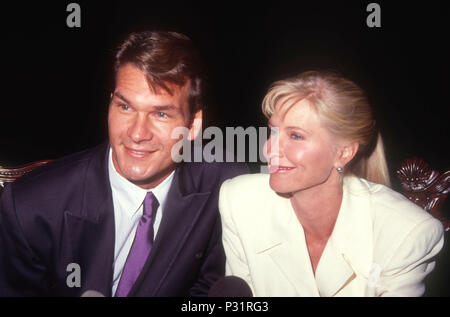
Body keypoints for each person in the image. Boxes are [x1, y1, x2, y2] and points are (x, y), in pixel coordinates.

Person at [0, 31, 247, 296]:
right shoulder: (31, 208)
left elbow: (207, 287)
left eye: (161, 114)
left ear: (193, 125)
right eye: (125, 107)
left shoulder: (223, 183)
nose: (137, 133)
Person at [219, 71, 444, 296]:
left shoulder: (406, 234)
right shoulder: (240, 202)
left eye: (295, 136)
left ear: (343, 152)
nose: (269, 150)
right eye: (273, 131)